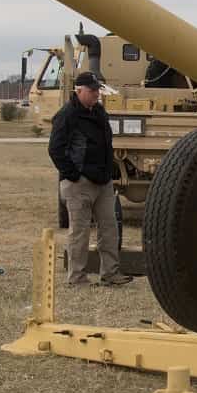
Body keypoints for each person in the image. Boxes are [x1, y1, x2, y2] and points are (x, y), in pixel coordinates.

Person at [48, 71, 132, 287]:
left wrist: (109, 171)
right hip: (80, 183)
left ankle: (110, 274)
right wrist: (73, 174)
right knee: (80, 231)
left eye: (98, 90)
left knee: (109, 228)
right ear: (79, 91)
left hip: (103, 182)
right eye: (92, 90)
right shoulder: (66, 115)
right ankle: (77, 278)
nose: (96, 93)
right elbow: (55, 149)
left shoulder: (99, 112)